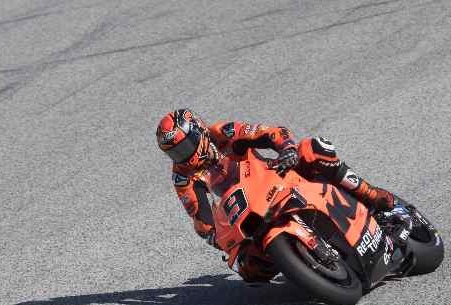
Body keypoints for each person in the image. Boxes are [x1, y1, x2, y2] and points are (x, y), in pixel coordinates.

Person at [156, 109, 395, 282]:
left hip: (278, 177)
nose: (182, 156)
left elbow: (270, 132)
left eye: (184, 147)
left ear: (198, 133)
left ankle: (370, 194)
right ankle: (303, 269)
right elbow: (200, 217)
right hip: (250, 211)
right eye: (174, 153)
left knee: (313, 149)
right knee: (249, 268)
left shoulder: (224, 133)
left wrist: (287, 149)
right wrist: (216, 238)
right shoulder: (183, 177)